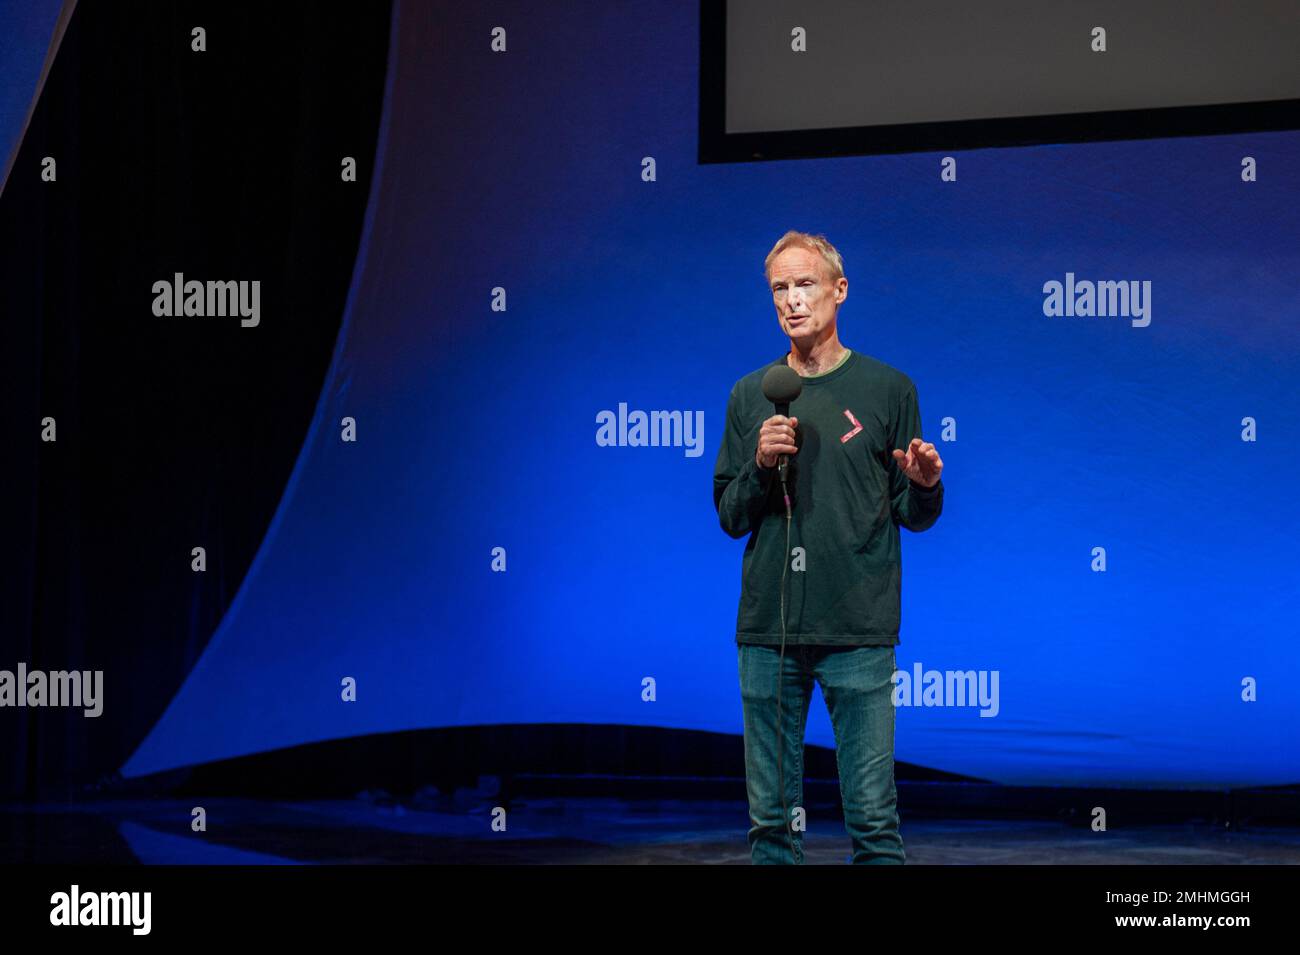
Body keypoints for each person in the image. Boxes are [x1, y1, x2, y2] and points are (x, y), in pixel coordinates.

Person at [712, 230, 945, 864]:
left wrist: (925, 487)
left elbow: (910, 512)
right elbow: (731, 516)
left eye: (805, 284)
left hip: (858, 628)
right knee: (771, 827)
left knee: (872, 821)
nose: (792, 300)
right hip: (770, 632)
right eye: (780, 289)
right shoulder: (751, 395)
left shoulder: (889, 390)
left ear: (839, 290)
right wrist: (759, 465)